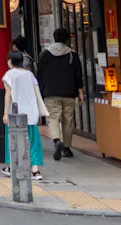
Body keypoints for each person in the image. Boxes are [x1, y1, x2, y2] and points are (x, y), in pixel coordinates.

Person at [36, 27, 84, 161]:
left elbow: (40, 74)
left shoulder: (45, 54)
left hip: (51, 92)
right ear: (67, 39)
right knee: (68, 120)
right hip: (69, 92)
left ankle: (57, 141)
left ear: (54, 37)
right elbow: (78, 75)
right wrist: (81, 92)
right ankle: (67, 148)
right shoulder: (72, 55)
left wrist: (39, 91)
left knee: (53, 118)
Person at [2, 50, 45, 181]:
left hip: (16, 113)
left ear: (10, 61)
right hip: (31, 113)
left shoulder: (9, 75)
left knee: (12, 140)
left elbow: (8, 94)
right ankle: (35, 170)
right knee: (33, 141)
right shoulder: (29, 74)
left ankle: (10, 167)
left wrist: (5, 113)